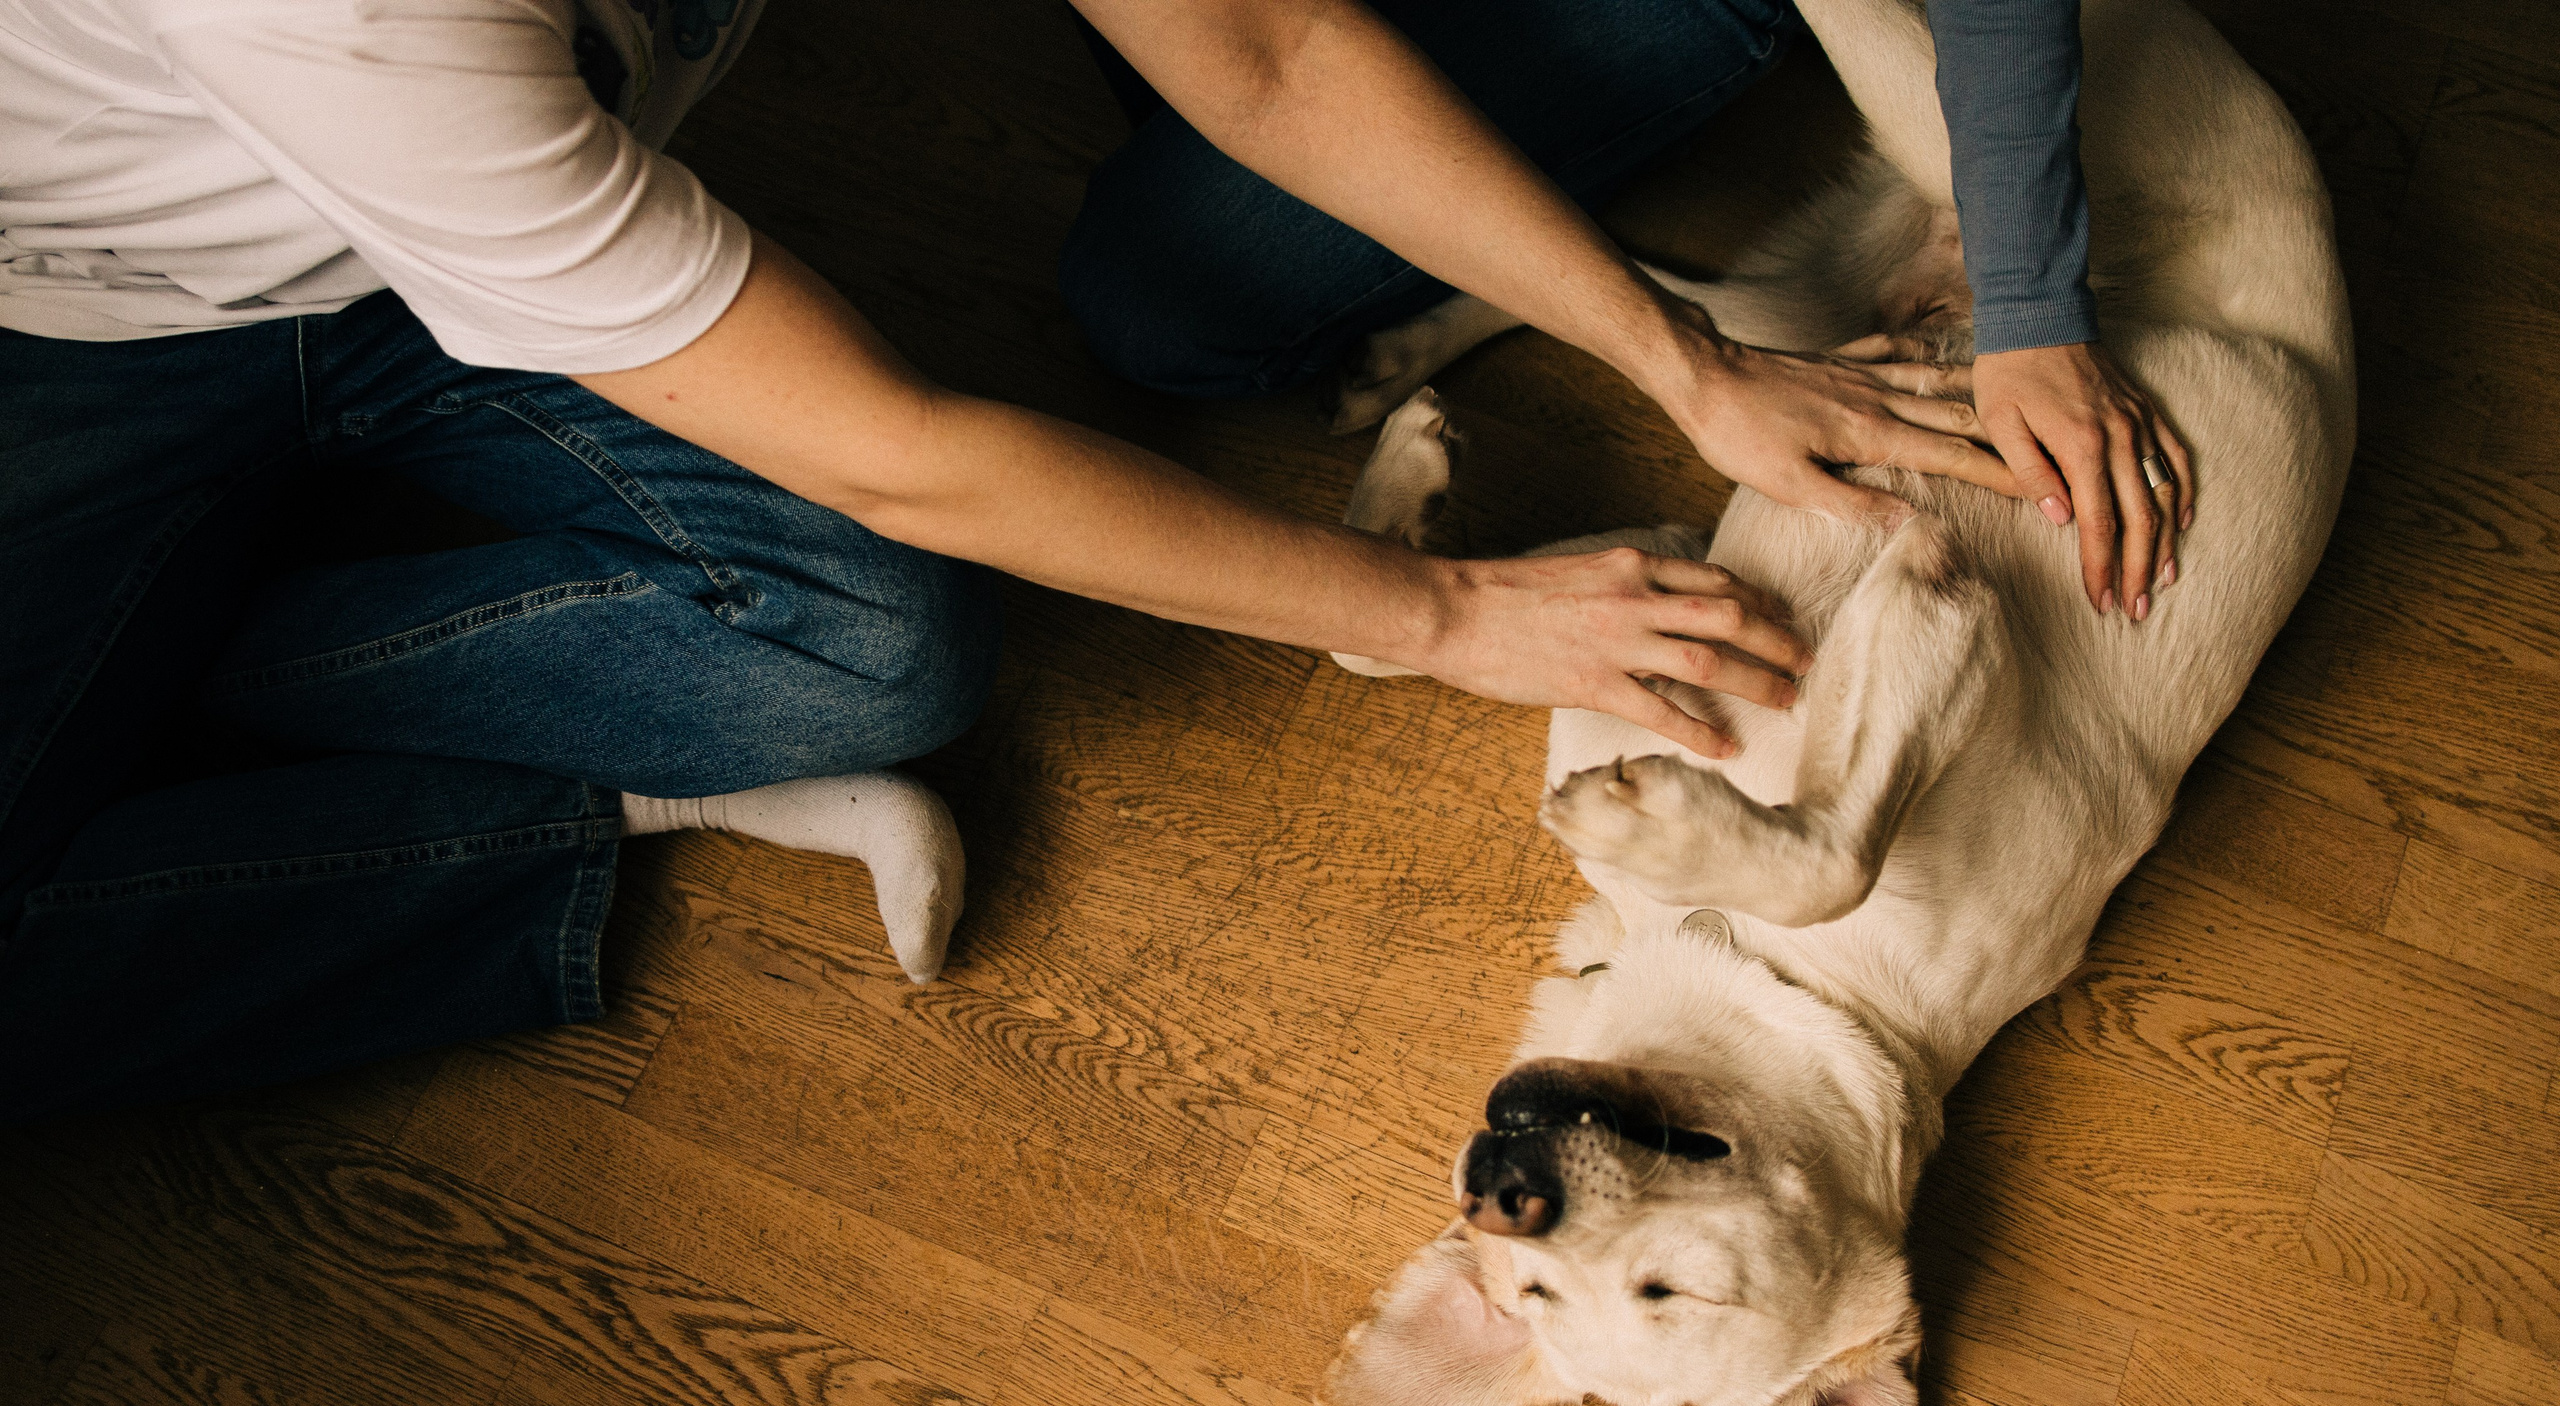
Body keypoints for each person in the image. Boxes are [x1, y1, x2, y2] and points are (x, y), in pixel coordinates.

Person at [0, 0, 2183, 1125]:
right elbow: (902, 450)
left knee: (881, 653)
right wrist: (1440, 615)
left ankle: (192, 680)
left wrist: (1682, 367)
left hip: (452, 266)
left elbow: (1262, 46)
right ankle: (512, 780)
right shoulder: (350, 28)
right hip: (92, 336)